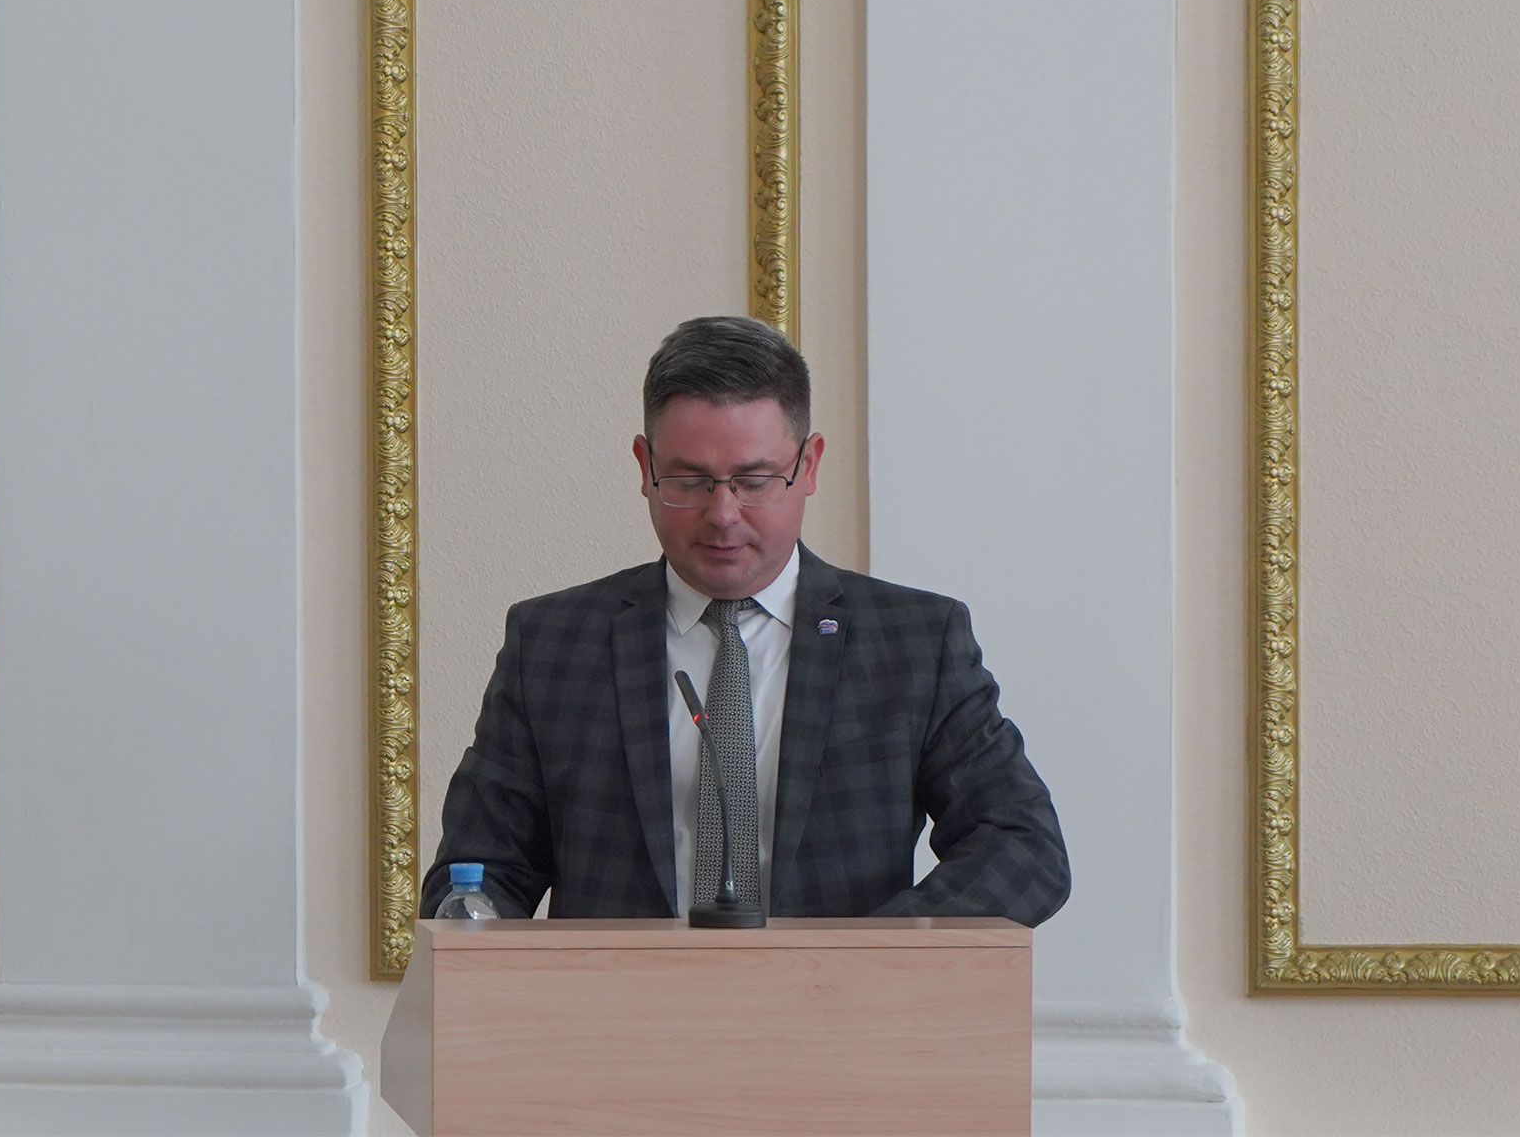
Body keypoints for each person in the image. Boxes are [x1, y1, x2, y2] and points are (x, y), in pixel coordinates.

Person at [423, 316, 1069, 925]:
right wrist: (482, 930)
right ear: (646, 468)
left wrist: (873, 953)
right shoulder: (555, 644)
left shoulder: (915, 642)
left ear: (808, 466)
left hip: (837, 1000)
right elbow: (476, 872)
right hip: (619, 1003)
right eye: (690, 481)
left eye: (755, 480)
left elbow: (1022, 846)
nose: (723, 514)